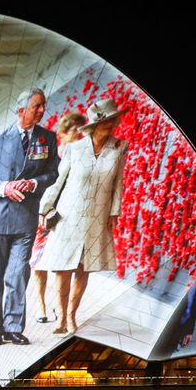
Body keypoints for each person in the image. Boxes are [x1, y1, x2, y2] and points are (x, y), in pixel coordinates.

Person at [0, 87, 60, 346]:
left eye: (43, 105)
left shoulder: (48, 139)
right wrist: (5, 187)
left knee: (17, 275)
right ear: (21, 111)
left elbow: (53, 173)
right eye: (37, 106)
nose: (42, 110)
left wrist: (33, 183)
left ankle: (13, 327)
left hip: (25, 220)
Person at [37, 98, 127, 334]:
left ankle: (71, 315)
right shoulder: (74, 149)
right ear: (94, 125)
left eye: (111, 121)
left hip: (97, 216)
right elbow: (59, 181)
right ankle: (60, 318)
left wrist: (114, 212)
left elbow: (118, 183)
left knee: (83, 268)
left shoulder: (119, 147)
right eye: (104, 122)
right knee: (62, 267)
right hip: (69, 215)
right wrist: (45, 207)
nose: (109, 125)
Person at [30, 112, 87, 324]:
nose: (80, 134)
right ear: (63, 132)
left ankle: (57, 303)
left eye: (82, 130)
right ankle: (41, 305)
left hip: (67, 216)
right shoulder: (49, 155)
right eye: (75, 129)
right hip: (45, 213)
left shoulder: (83, 155)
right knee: (39, 261)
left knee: (61, 262)